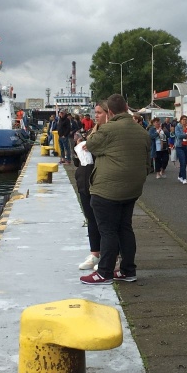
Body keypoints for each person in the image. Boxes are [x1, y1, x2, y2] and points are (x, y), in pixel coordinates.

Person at [79, 94, 151, 285]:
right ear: (127, 108)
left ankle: (104, 272)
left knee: (108, 231)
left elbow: (91, 145)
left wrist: (99, 128)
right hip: (132, 188)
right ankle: (128, 270)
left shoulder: (108, 129)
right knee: (125, 228)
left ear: (109, 112)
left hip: (108, 189)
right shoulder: (141, 131)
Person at [74, 102, 109, 271]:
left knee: (103, 220)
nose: (96, 116)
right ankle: (95, 253)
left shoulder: (109, 133)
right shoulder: (93, 131)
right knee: (91, 219)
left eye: (99, 112)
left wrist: (91, 147)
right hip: (85, 180)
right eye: (95, 112)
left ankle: (108, 255)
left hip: (99, 180)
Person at [175, 115, 187, 184]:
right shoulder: (178, 127)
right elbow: (179, 135)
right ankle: (184, 178)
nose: (184, 121)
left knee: (185, 162)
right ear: (180, 120)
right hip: (180, 146)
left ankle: (180, 175)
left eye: (186, 119)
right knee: (182, 161)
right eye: (183, 119)